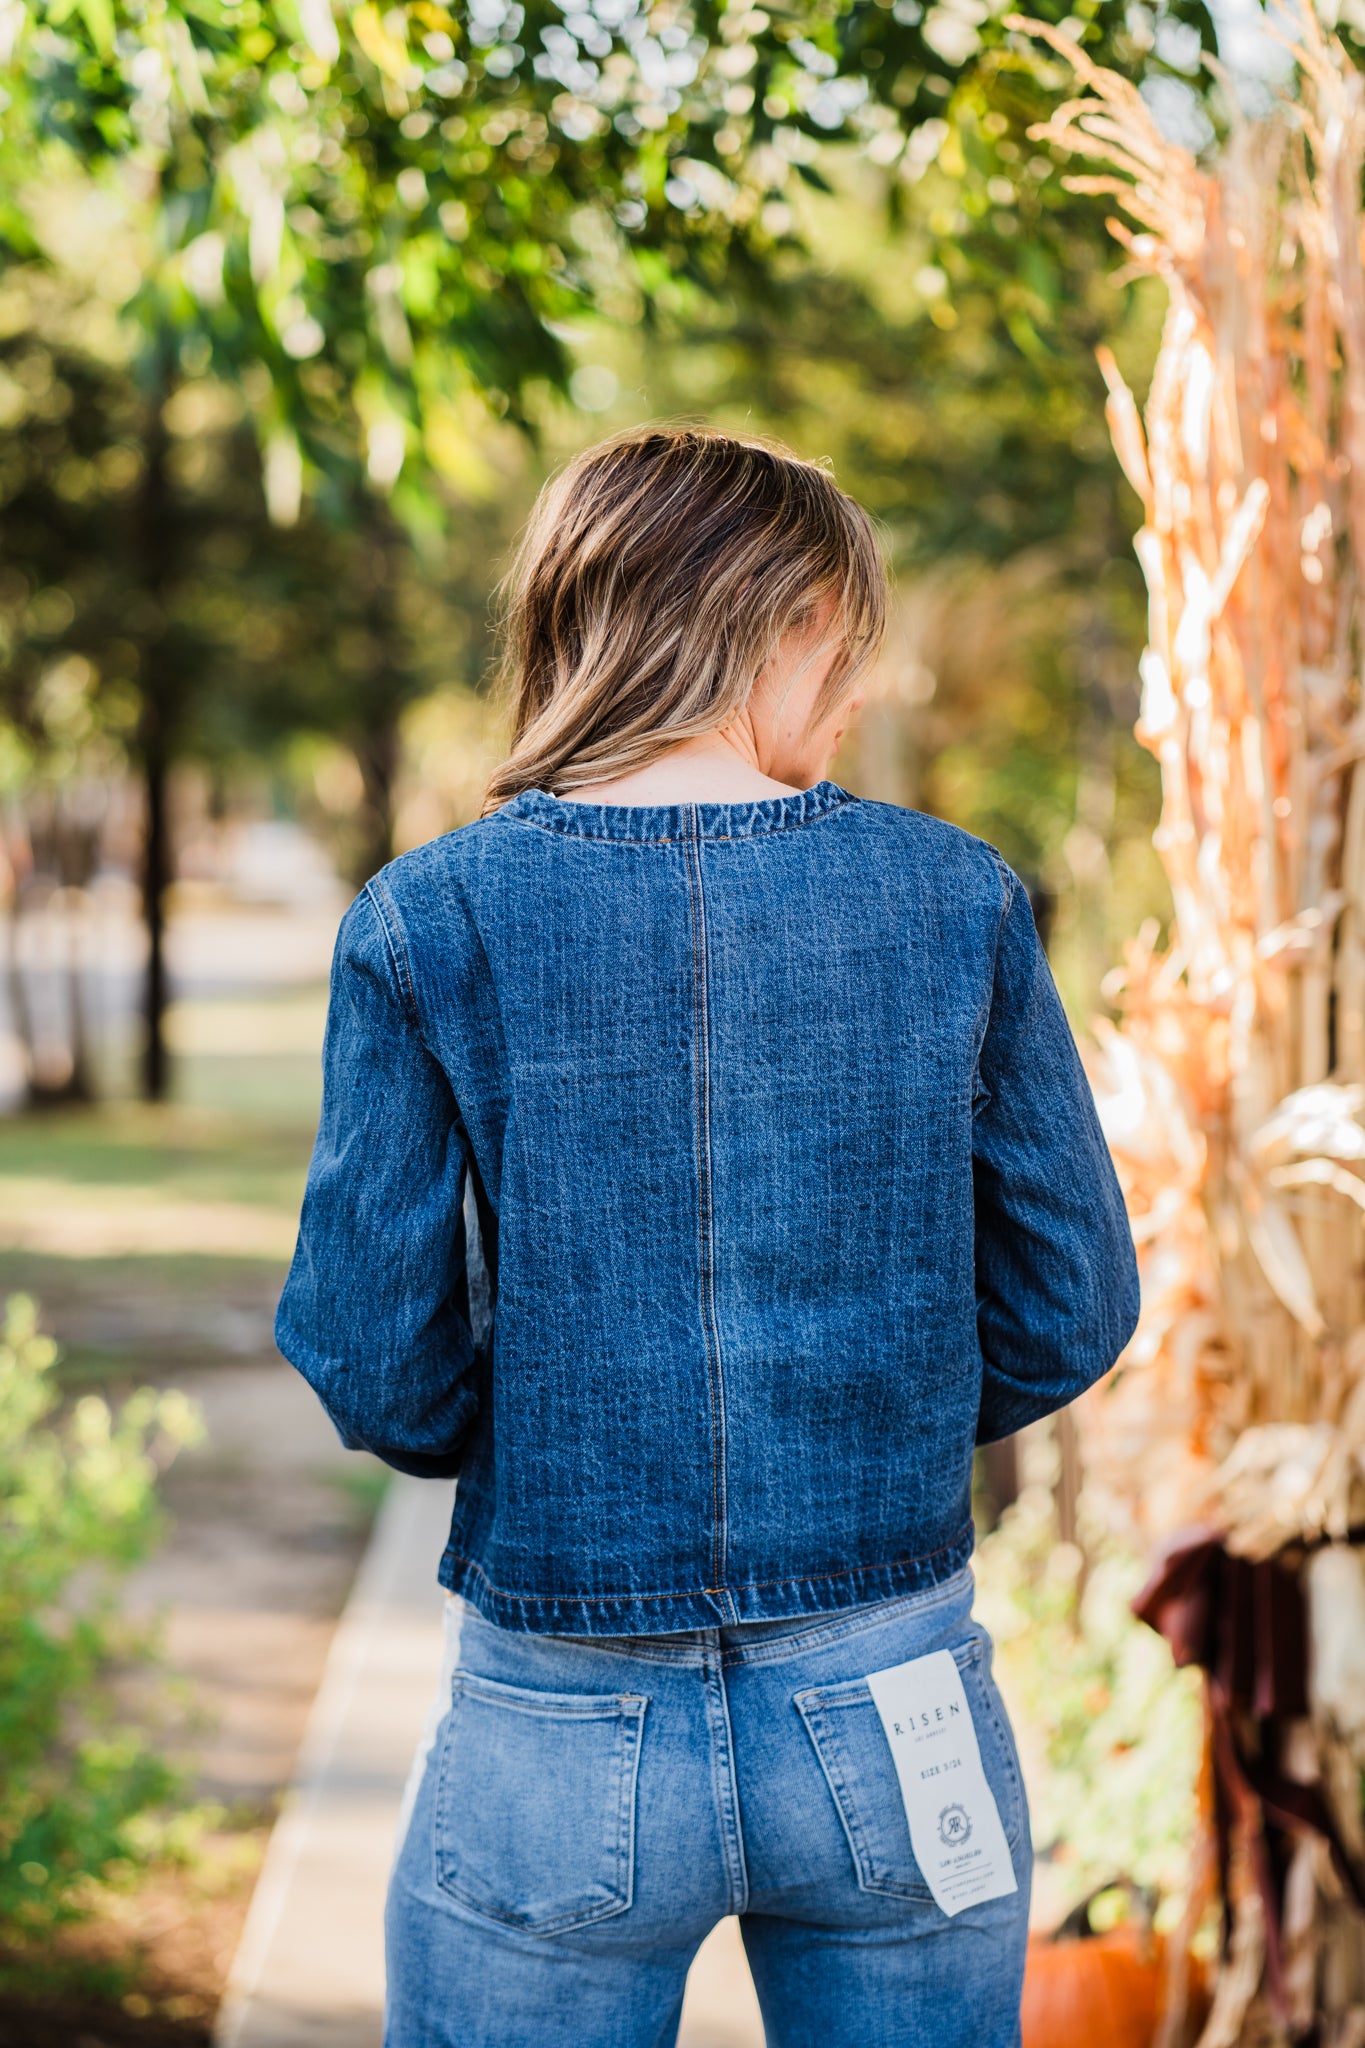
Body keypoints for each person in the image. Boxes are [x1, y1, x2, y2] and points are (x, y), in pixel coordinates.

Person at [276, 425, 1139, 2048]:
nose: (859, 688)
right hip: (893, 1697)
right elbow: (1070, 1303)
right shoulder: (956, 900)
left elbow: (371, 1360)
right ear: (766, 613)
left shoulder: (425, 917)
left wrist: (542, 1450)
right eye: (844, 639)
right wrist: (870, 1436)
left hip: (559, 1711)